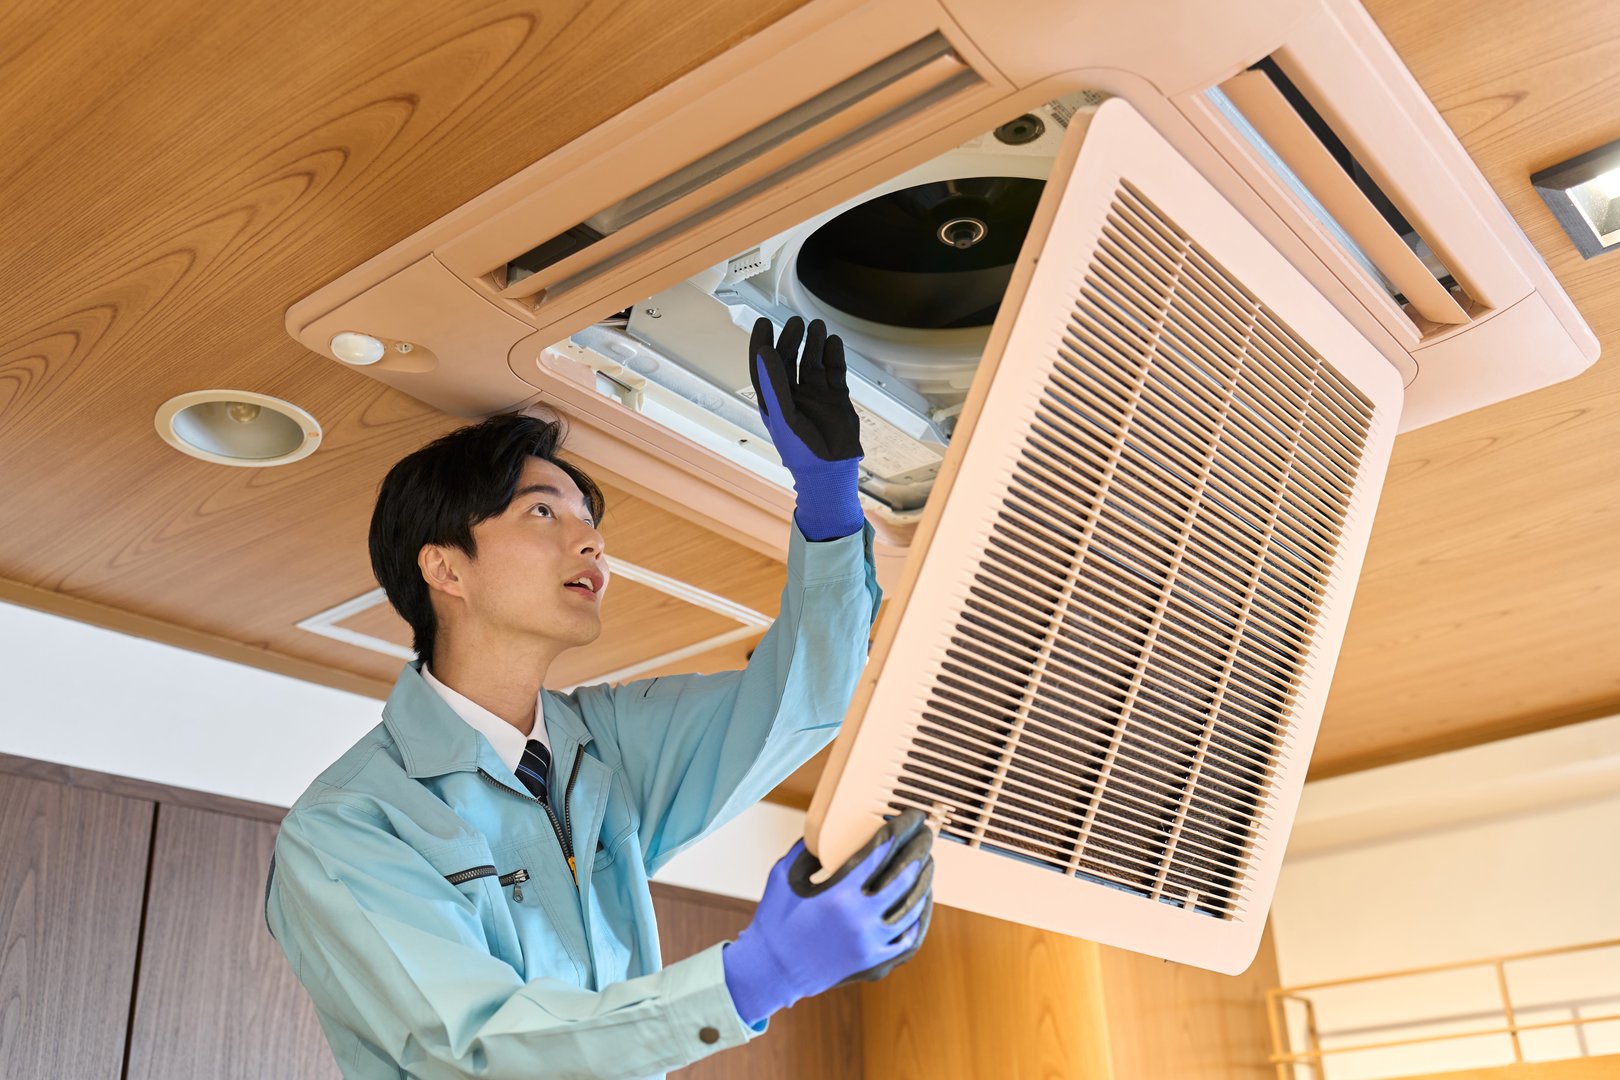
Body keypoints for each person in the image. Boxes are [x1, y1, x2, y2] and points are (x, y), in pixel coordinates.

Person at [264, 317, 936, 1078]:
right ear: (446, 570)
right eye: (543, 511)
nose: (591, 543)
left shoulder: (603, 747)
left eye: (590, 520)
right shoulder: (349, 829)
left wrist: (828, 503)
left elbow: (804, 701)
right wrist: (758, 976)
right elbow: (476, 1051)